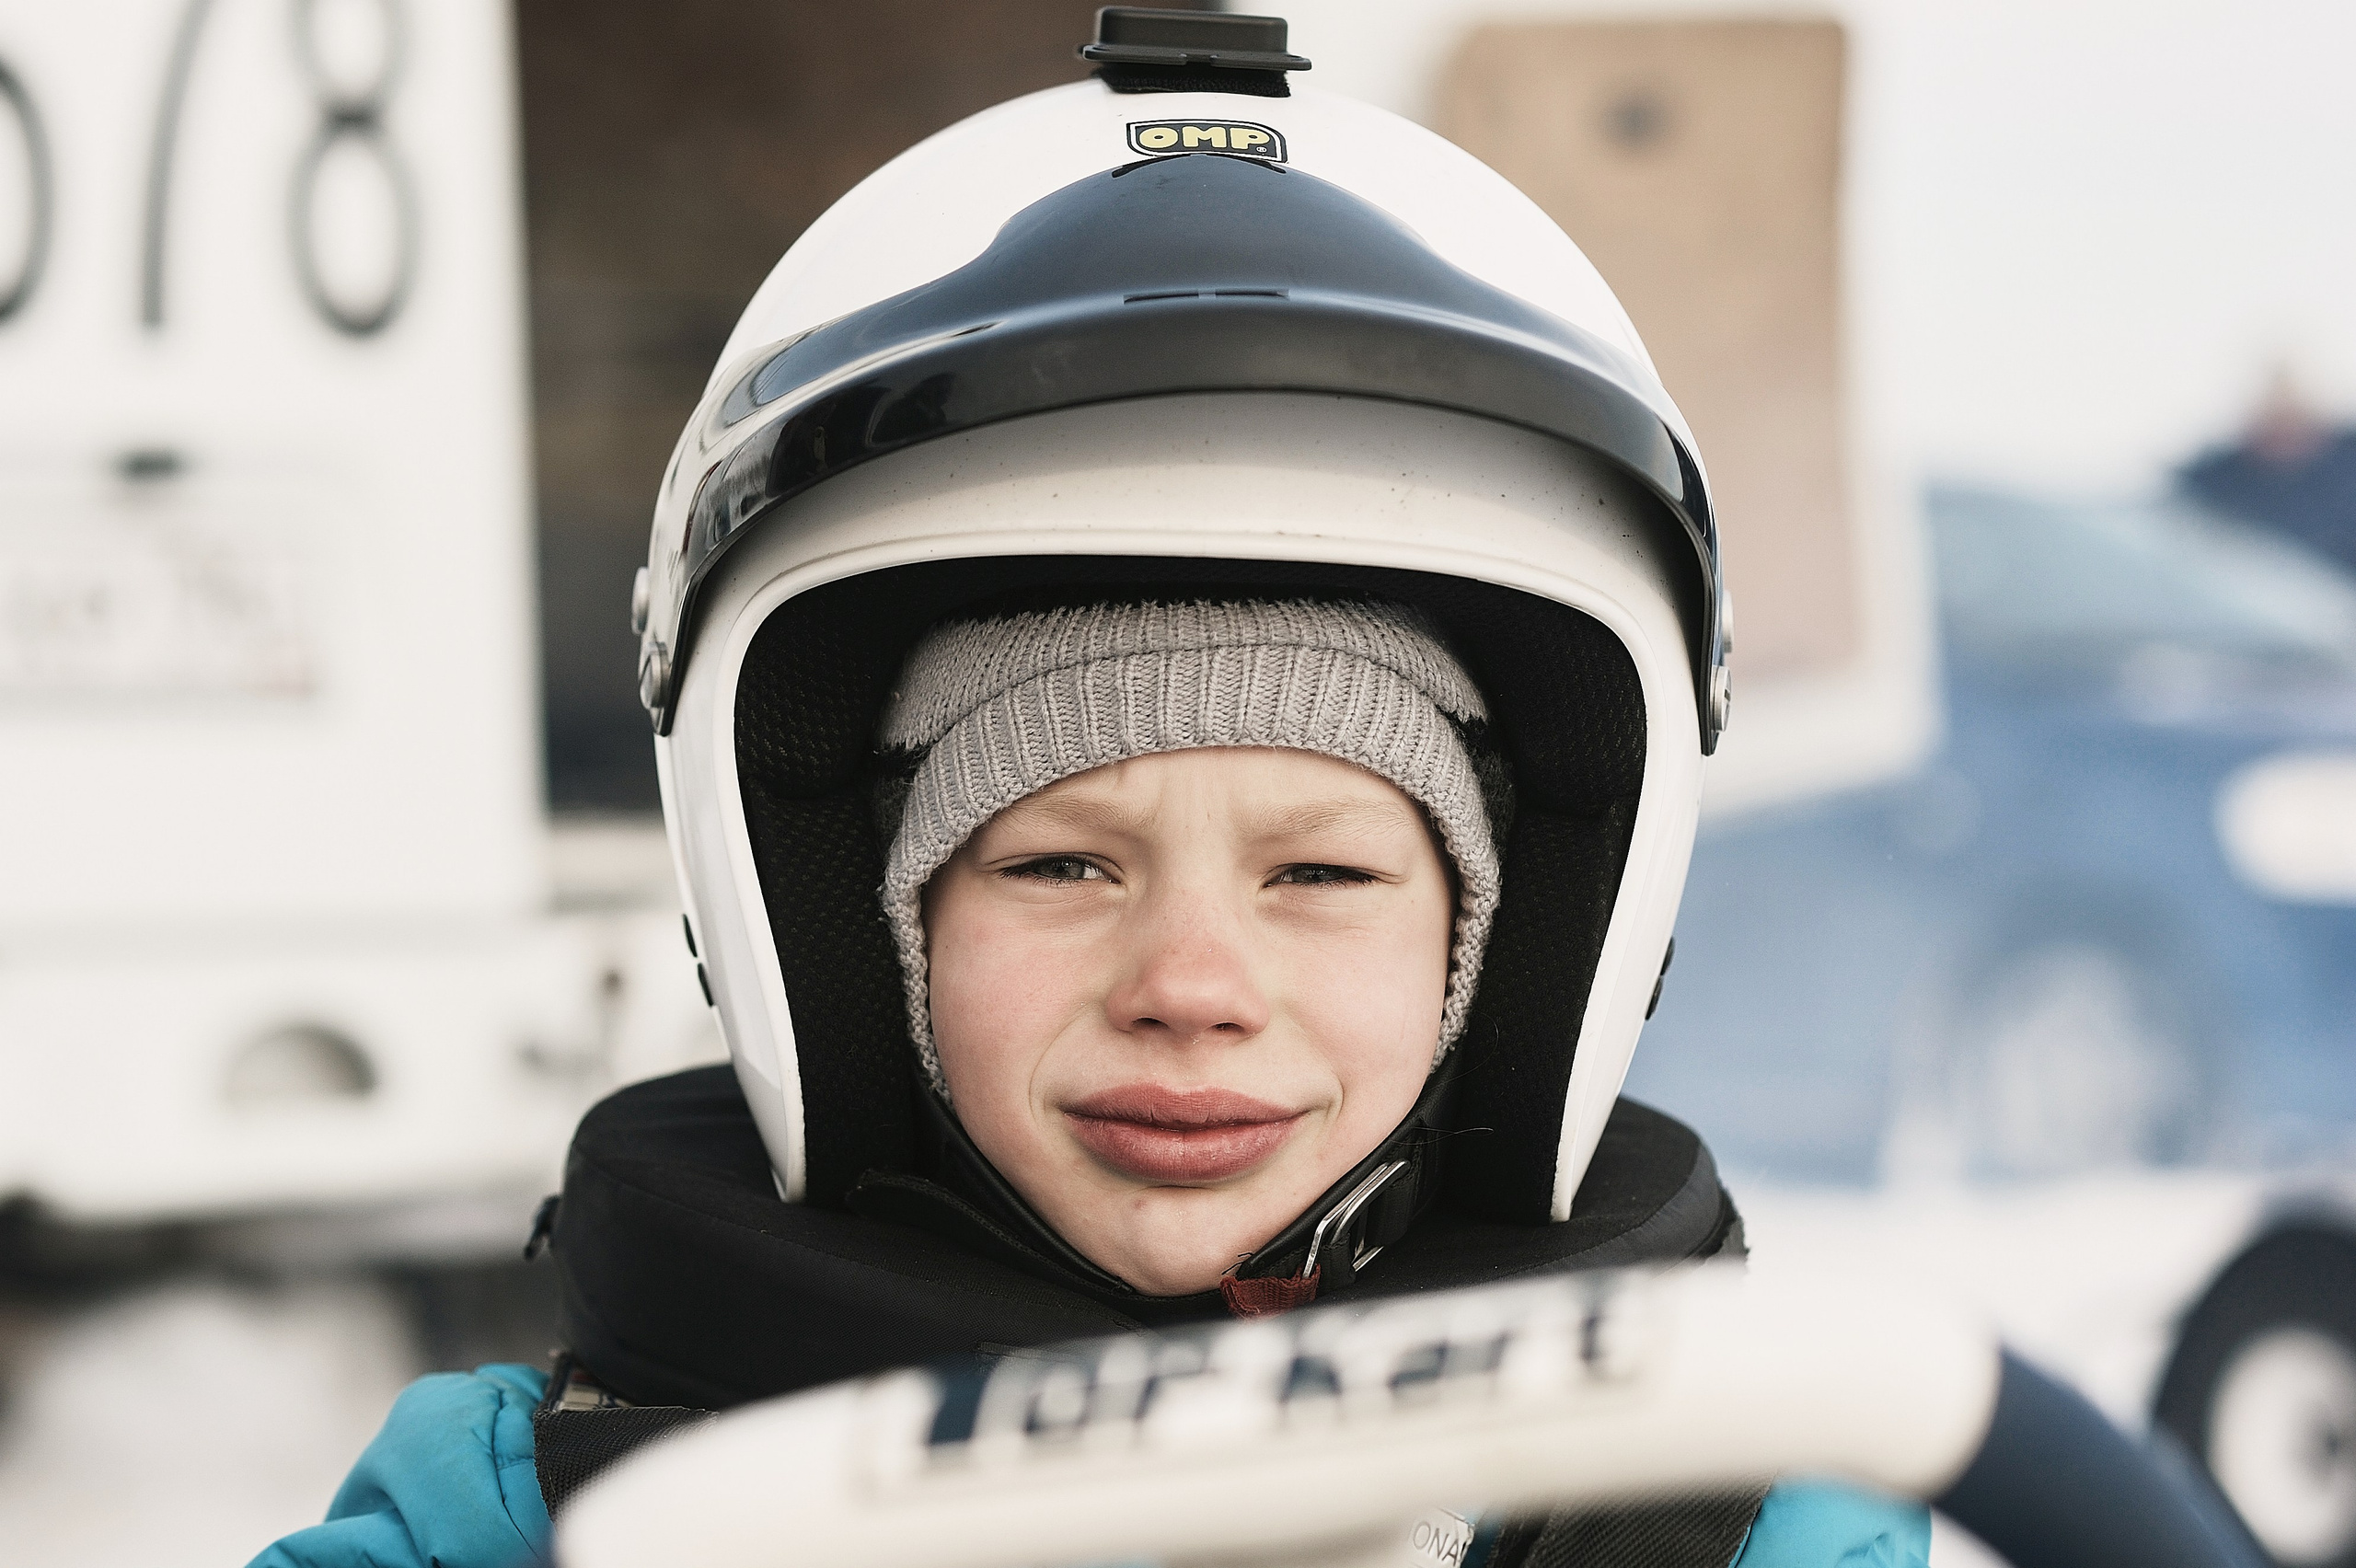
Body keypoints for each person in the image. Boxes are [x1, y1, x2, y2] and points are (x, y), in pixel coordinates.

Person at [252, 12, 1929, 1566]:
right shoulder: (532, 1521)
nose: (1189, 989)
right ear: (853, 944)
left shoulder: (1748, 1529)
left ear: (1504, 960)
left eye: (1319, 875)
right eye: (1060, 866)